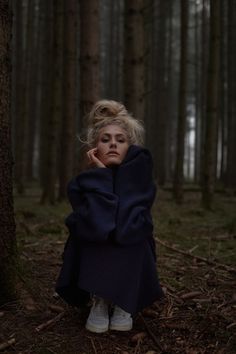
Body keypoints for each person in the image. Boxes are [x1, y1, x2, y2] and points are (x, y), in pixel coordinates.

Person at [56, 100, 164, 333]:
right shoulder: (82, 184)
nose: (113, 144)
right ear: (94, 148)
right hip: (94, 246)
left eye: (120, 140)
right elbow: (97, 226)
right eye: (105, 140)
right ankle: (100, 299)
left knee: (134, 237)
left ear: (130, 147)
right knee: (92, 232)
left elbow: (127, 228)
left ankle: (124, 301)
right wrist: (102, 178)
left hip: (132, 245)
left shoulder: (141, 183)